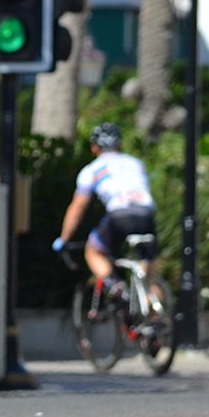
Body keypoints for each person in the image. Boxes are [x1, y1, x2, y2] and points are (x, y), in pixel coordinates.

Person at [51, 123, 157, 304]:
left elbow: (78, 207)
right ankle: (154, 317)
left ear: (94, 148)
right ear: (119, 145)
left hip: (119, 215)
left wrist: (64, 238)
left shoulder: (91, 170)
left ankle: (116, 288)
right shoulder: (136, 163)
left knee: (93, 251)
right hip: (146, 214)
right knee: (149, 274)